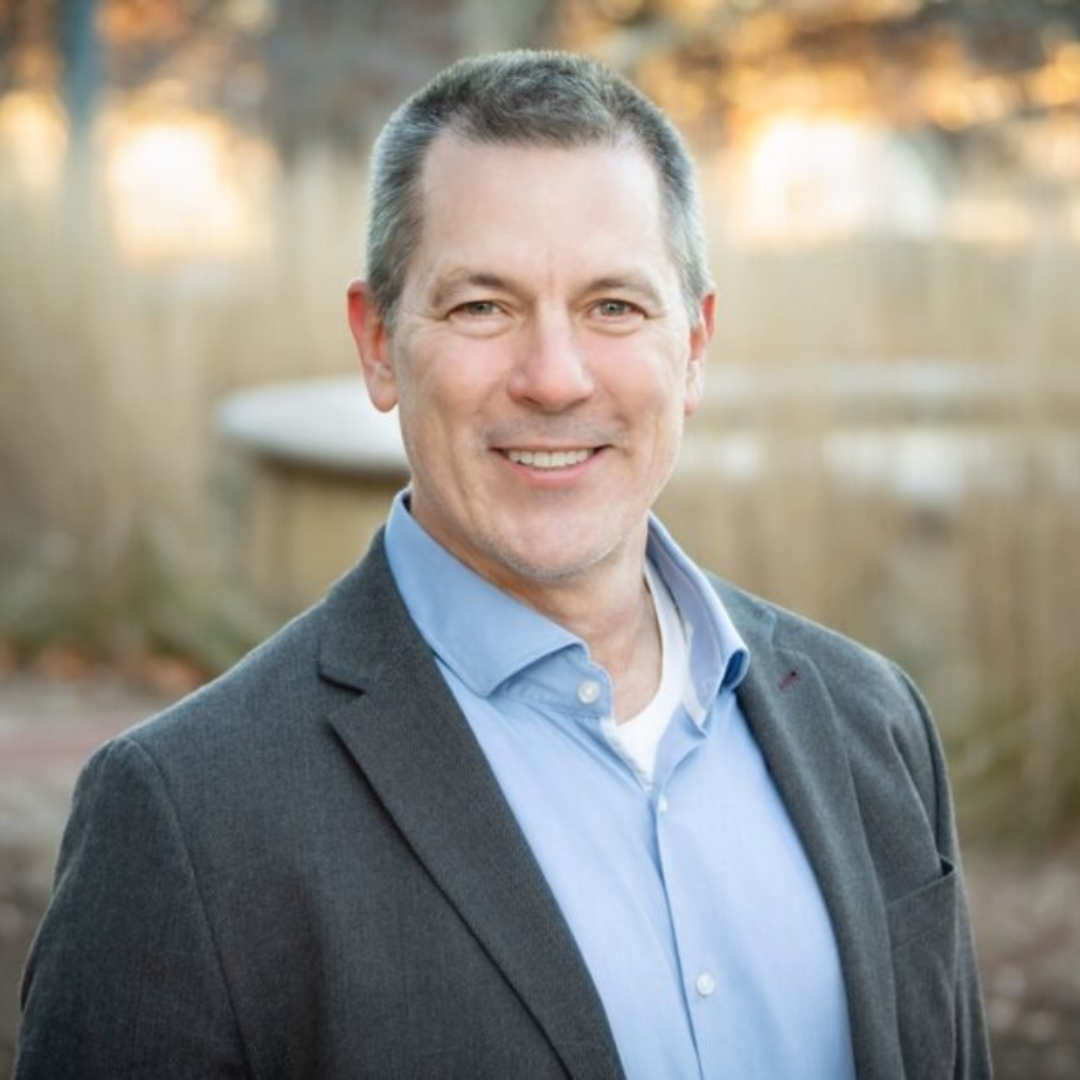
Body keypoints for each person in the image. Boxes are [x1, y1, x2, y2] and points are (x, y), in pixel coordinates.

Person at [16, 50, 989, 1079]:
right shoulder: (187, 816)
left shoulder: (871, 722)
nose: (555, 378)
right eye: (483, 305)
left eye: (615, 305)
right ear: (379, 342)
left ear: (696, 346)